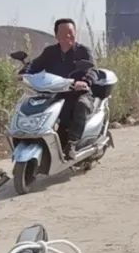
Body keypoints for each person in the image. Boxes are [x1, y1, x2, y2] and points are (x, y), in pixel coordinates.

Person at [26, 18, 96, 160]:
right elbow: (35, 65)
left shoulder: (83, 51)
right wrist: (24, 72)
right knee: (38, 106)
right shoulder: (50, 52)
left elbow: (93, 70)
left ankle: (72, 143)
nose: (68, 36)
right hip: (57, 92)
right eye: (63, 33)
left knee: (81, 105)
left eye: (71, 32)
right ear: (56, 35)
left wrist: (84, 81)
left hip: (79, 93)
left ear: (75, 33)